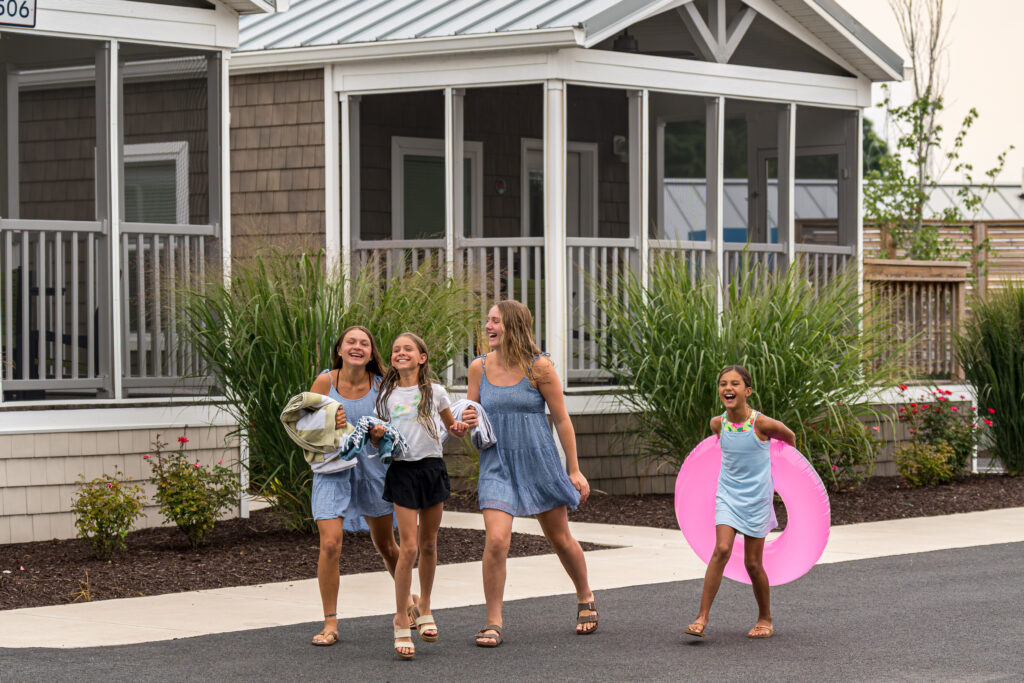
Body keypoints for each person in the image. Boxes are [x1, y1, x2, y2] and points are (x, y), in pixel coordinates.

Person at [464, 300, 597, 648]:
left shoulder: (539, 366)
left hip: (538, 461)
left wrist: (574, 469)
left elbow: (562, 419)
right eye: (487, 321)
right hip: (497, 464)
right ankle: (493, 621)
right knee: (496, 541)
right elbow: (470, 412)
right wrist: (463, 422)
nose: (488, 326)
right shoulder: (478, 367)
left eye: (495, 321)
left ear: (513, 325)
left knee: (560, 539)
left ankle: (585, 595)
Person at [306, 325, 402, 647]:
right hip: (333, 471)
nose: (357, 346)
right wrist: (325, 422)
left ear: (372, 353)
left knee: (387, 546)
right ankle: (330, 622)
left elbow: (398, 428)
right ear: (340, 349)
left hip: (373, 470)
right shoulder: (325, 382)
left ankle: (408, 604)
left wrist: (381, 433)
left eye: (364, 343)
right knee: (331, 544)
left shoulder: (383, 385)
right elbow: (304, 426)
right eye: (351, 341)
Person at [684, 365, 796, 640]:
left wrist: (785, 478)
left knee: (753, 564)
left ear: (747, 391)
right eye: (723, 384)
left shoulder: (762, 424)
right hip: (728, 495)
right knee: (721, 549)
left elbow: (790, 439)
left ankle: (765, 618)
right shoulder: (717, 423)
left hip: (756, 498)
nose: (728, 389)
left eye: (735, 384)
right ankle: (701, 617)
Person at [376, 332, 468, 660]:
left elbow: (451, 427)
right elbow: (380, 441)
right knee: (409, 547)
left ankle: (424, 607)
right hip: (402, 472)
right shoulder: (386, 395)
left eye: (408, 349)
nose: (401, 353)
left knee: (429, 543)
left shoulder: (436, 392)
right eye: (396, 349)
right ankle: (401, 616)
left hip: (431, 469)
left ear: (421, 357)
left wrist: (461, 427)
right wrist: (376, 436)